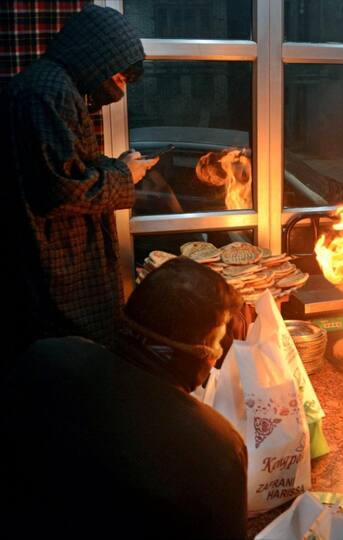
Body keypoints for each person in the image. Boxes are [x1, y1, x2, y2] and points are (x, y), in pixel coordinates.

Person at [0, 257, 248, 539]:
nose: (217, 356)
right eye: (216, 342)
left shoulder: (45, 357)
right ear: (185, 354)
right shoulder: (215, 449)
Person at [1, 5, 158, 357]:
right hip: (57, 269)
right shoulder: (49, 92)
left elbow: (65, 164)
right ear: (94, 53)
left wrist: (117, 164)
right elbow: (60, 190)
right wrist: (124, 175)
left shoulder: (51, 85)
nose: (122, 80)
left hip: (55, 262)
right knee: (75, 365)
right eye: (118, 68)